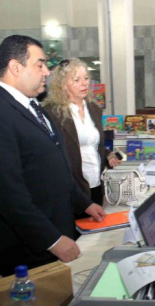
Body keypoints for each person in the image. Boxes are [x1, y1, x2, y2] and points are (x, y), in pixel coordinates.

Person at [0, 35, 105, 276]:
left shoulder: (33, 107)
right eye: (40, 64)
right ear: (15, 67)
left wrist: (85, 204)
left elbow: (57, 168)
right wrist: (51, 240)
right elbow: (8, 194)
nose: (47, 72)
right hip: (27, 248)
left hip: (56, 228)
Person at [43, 58, 120, 211]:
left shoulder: (94, 108)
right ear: (63, 85)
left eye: (86, 78)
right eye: (76, 80)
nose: (84, 83)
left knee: (94, 231)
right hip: (72, 187)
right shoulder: (52, 112)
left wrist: (108, 154)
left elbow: (92, 143)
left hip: (96, 183)